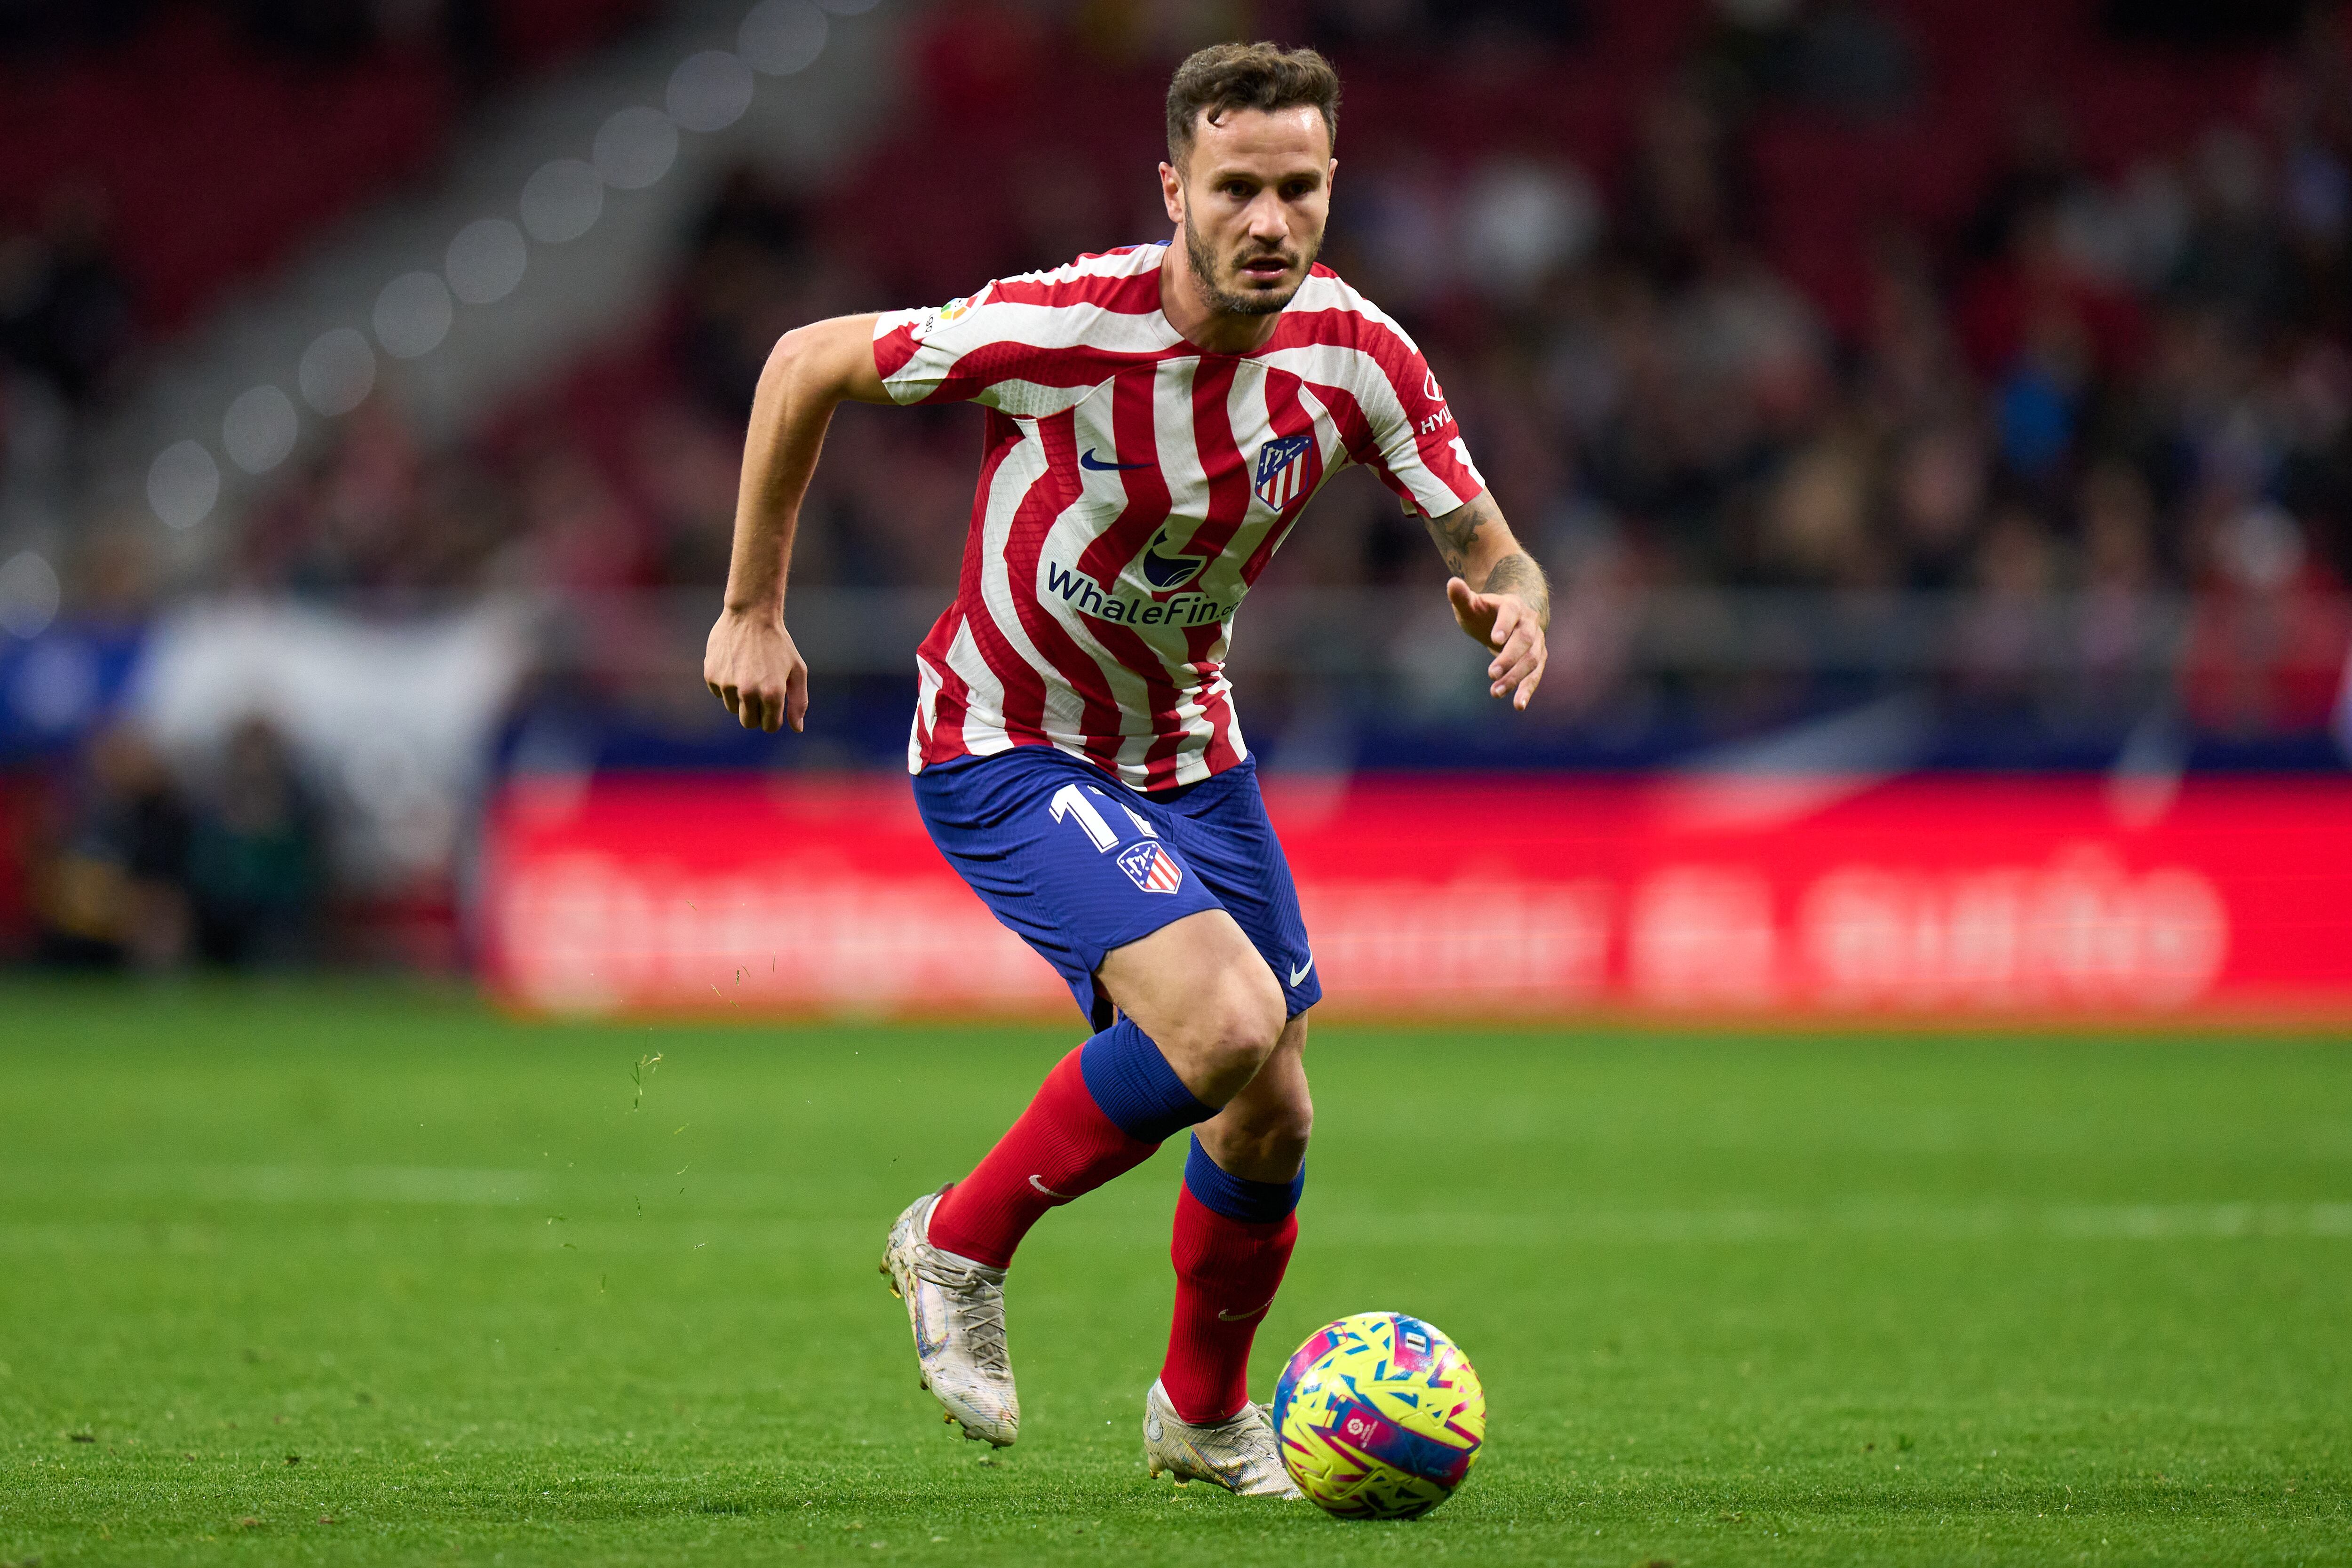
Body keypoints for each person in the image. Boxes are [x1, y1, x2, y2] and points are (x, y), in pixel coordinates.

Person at [702, 41, 1550, 1497]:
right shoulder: (1066, 327)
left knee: (1273, 1109)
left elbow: (1485, 537)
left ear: (1333, 187)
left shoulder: (1359, 355)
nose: (1269, 222)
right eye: (1236, 189)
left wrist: (1517, 593)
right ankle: (956, 1245)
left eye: (1298, 188)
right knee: (1222, 1022)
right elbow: (807, 362)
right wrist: (752, 608)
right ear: (1174, 188)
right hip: (1004, 739)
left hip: (1186, 751)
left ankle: (1201, 1418)